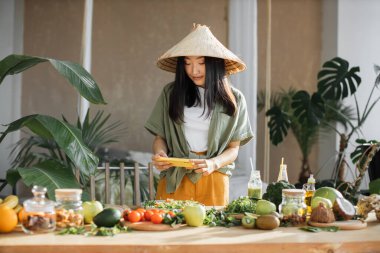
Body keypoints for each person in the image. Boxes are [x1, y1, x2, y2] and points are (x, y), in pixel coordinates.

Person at [145, 24, 253, 206]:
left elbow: (234, 149)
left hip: (214, 178)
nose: (193, 70)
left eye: (201, 63)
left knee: (210, 231)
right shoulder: (170, 93)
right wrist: (160, 153)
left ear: (215, 64)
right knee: (169, 230)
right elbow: (159, 137)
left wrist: (213, 163)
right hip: (176, 175)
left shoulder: (235, 99)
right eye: (187, 63)